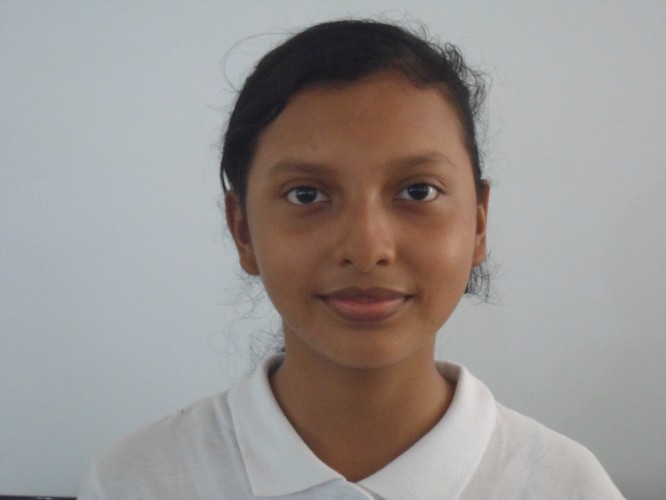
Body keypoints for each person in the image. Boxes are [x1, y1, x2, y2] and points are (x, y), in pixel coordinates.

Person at [79, 19, 624, 499]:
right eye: (307, 195)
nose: (367, 250)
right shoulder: (137, 482)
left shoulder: (566, 485)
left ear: (478, 223)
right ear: (242, 229)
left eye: (417, 191)